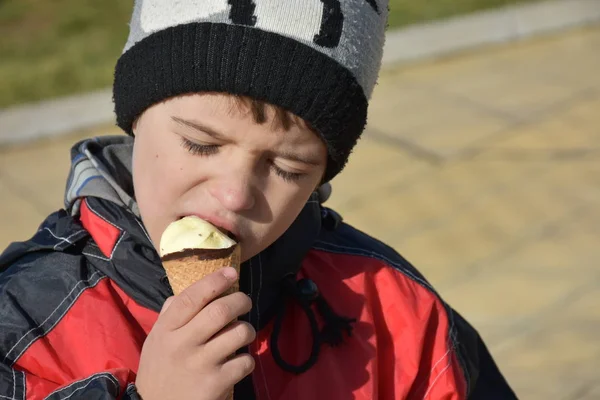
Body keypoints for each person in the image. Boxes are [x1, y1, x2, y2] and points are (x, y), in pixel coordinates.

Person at [0, 1, 517, 399]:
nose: (234, 194)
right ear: (135, 116)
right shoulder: (24, 322)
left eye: (287, 168)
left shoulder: (395, 312)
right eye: (201, 143)